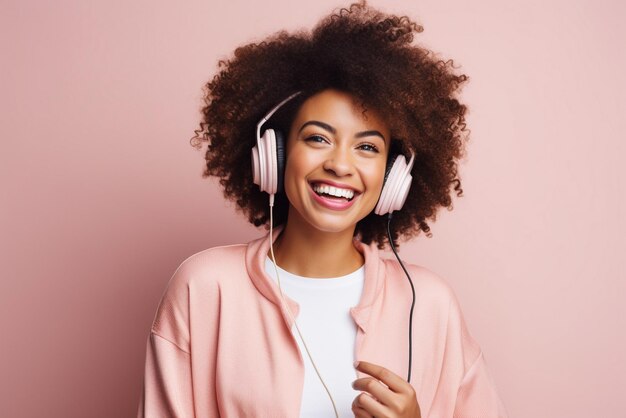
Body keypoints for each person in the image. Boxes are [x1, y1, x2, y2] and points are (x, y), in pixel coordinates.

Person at [137, 1, 508, 417]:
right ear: (274, 155)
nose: (340, 164)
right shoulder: (205, 288)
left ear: (393, 178)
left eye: (367, 147)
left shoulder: (430, 303)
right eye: (318, 138)